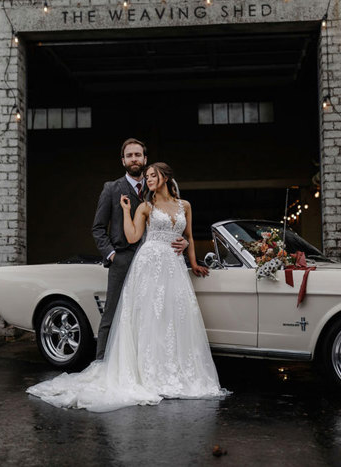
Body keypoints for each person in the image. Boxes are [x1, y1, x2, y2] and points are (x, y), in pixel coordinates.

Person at [27, 162, 228, 412]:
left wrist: (194, 262)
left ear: (165, 177)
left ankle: (175, 371)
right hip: (150, 263)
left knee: (173, 317)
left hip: (174, 267)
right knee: (150, 318)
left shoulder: (184, 205)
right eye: (147, 177)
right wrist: (125, 210)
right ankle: (148, 372)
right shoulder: (145, 206)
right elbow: (133, 237)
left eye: (153, 176)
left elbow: (188, 237)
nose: (148, 180)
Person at [91, 138, 188, 360]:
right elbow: (97, 228)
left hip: (155, 262)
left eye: (138, 155)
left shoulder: (155, 185)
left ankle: (142, 365)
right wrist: (112, 255)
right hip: (123, 259)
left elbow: (174, 219)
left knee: (153, 314)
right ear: (123, 160)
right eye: (129, 155)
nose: (134, 159)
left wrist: (185, 241)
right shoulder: (112, 188)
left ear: (145, 159)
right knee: (113, 313)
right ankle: (103, 363)